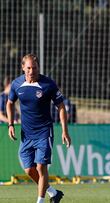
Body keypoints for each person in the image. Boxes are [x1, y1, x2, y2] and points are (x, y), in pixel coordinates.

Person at [7, 54, 71, 203]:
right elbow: (9, 103)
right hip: (26, 134)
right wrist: (10, 124)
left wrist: (64, 130)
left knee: (42, 168)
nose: (31, 71)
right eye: (28, 68)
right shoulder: (17, 84)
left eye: (34, 68)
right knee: (29, 170)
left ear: (38, 68)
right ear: (23, 67)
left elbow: (61, 106)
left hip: (44, 132)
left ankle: (40, 201)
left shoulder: (48, 84)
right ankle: (53, 192)